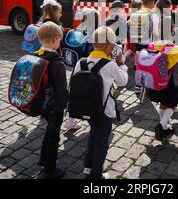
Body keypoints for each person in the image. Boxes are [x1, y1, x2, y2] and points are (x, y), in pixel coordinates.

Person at [72, 26, 128, 179]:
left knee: (93, 135)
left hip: (87, 108)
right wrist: (121, 63)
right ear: (109, 46)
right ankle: (97, 174)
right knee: (102, 142)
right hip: (104, 111)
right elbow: (123, 81)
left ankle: (88, 167)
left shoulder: (82, 62)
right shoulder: (109, 65)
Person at [37, 22, 69, 179]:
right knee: (54, 135)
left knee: (49, 130)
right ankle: (50, 168)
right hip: (55, 105)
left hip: (41, 102)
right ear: (56, 39)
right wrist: (66, 104)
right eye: (59, 41)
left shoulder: (37, 55)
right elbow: (62, 88)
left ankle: (43, 159)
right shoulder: (56, 61)